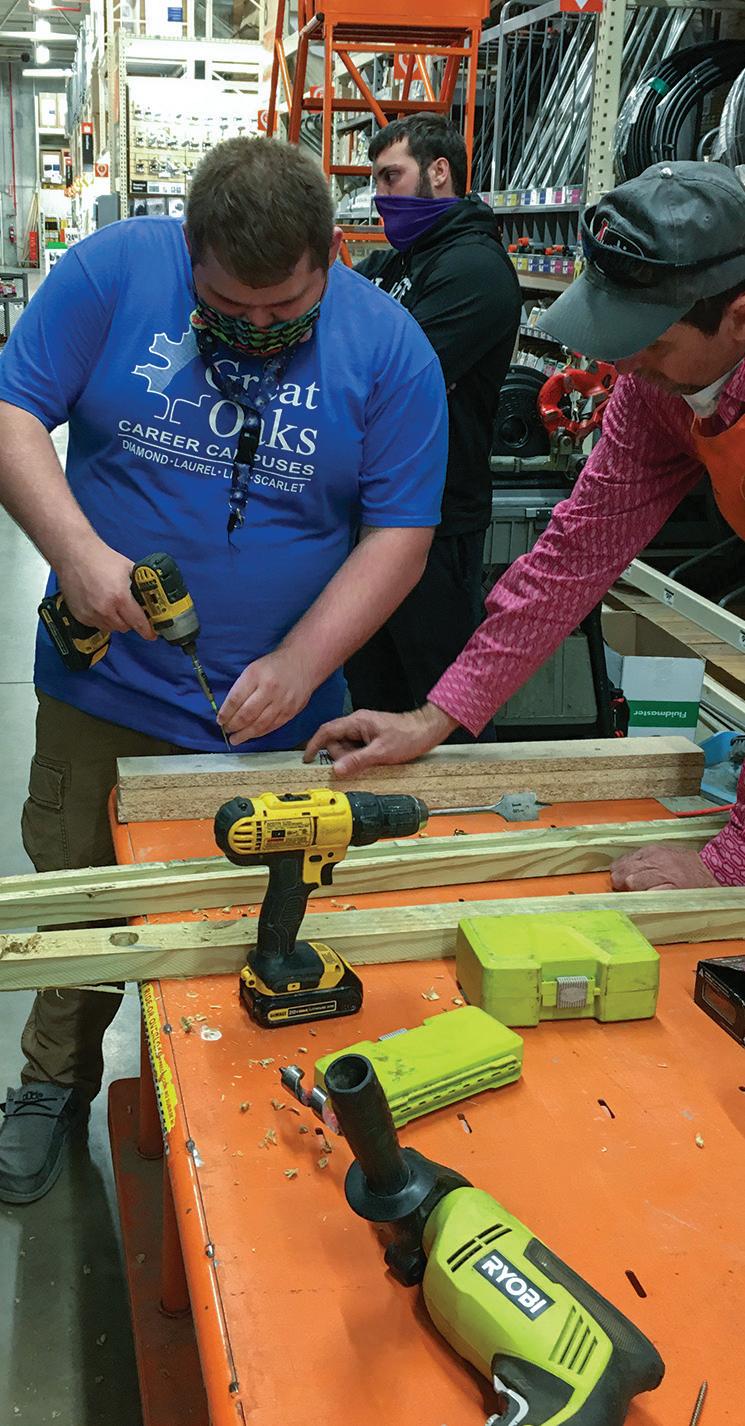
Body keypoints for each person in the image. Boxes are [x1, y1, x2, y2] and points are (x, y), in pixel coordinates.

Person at [0, 137, 448, 1203]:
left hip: (281, 716)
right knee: (81, 898)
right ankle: (50, 1082)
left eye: (282, 307)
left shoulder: (389, 349)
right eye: (225, 306)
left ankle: (231, 1114)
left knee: (263, 923)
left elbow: (399, 534)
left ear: (330, 255)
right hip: (105, 691)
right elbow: (11, 413)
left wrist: (301, 661)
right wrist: (79, 555)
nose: (255, 327)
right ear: (188, 253)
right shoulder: (113, 273)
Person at [306, 160, 745, 890]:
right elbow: (573, 556)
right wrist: (435, 716)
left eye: (652, 342)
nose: (626, 362)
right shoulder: (656, 391)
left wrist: (732, 865)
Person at [344, 115, 521, 737]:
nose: (381, 195)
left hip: (437, 523)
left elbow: (383, 381)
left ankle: (466, 802)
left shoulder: (473, 269)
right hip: (378, 514)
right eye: (375, 181)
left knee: (444, 709)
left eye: (391, 177)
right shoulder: (405, 263)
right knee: (375, 695)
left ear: (439, 172)